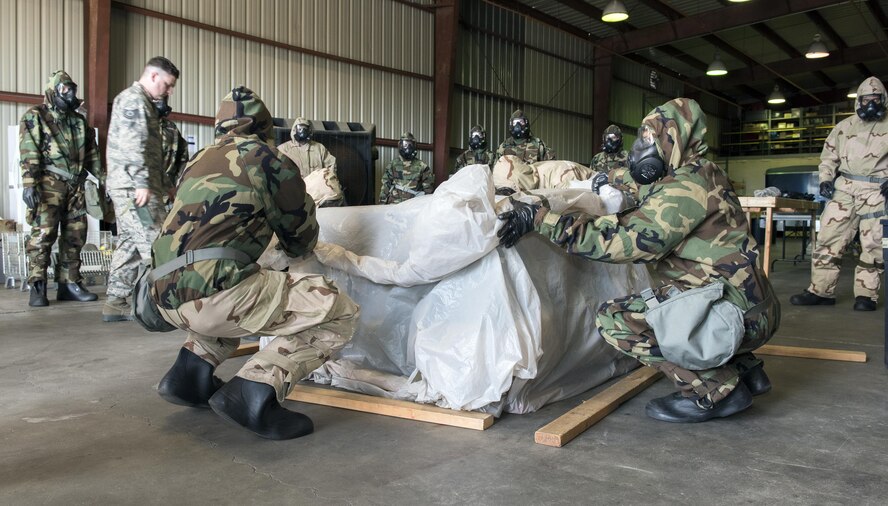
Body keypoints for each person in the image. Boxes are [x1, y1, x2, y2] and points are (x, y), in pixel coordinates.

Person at [498, 98, 780, 423]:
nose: (640, 148)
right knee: (681, 292)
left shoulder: (682, 192)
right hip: (757, 307)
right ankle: (748, 371)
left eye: (648, 138)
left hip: (734, 316)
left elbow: (619, 243)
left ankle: (713, 390)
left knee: (614, 319)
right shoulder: (702, 173)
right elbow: (648, 187)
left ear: (672, 141)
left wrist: (541, 218)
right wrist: (608, 181)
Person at [153, 87, 359, 440]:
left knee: (230, 291)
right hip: (215, 297)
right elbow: (301, 238)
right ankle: (253, 392)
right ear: (266, 128)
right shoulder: (267, 158)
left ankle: (188, 377)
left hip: (164, 294)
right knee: (339, 309)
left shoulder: (198, 158)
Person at [790, 77, 888, 312]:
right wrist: (825, 179)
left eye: (876, 99)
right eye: (866, 99)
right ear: (859, 101)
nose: (871, 104)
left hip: (877, 190)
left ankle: (866, 295)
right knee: (827, 238)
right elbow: (828, 157)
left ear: (883, 99)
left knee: (872, 243)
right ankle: (821, 291)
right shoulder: (844, 127)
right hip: (844, 189)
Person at [18, 70, 104, 307]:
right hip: (48, 184)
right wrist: (29, 184)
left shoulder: (78, 121)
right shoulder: (36, 116)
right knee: (43, 234)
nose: (70, 93)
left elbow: (92, 154)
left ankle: (69, 284)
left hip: (75, 185)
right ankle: (38, 285)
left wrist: (104, 179)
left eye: (71, 88)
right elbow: (28, 151)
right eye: (65, 89)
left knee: (75, 235)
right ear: (53, 91)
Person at [103, 56, 179, 322]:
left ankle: (115, 302)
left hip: (135, 187)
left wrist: (166, 186)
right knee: (157, 243)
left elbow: (150, 152)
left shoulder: (143, 102)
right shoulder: (135, 100)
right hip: (135, 191)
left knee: (129, 245)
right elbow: (134, 145)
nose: (169, 92)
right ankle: (159, 308)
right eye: (168, 85)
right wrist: (143, 184)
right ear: (154, 76)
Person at [277, 117, 343, 207]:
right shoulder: (283, 149)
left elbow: (331, 165)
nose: (302, 131)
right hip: (293, 194)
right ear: (294, 130)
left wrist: (329, 182)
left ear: (309, 130)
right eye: (300, 128)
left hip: (318, 195)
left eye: (305, 128)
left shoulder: (319, 148)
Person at [378, 131, 433, 204]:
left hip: (413, 206)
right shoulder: (393, 165)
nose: (408, 147)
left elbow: (428, 191)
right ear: (400, 145)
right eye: (405, 144)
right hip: (394, 205)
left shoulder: (422, 166)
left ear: (414, 146)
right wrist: (381, 204)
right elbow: (385, 186)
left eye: (410, 144)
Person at [155, 96, 189, 204]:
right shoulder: (138, 125)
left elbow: (183, 158)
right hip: (143, 195)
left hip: (168, 196)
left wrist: (179, 186)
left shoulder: (171, 128)